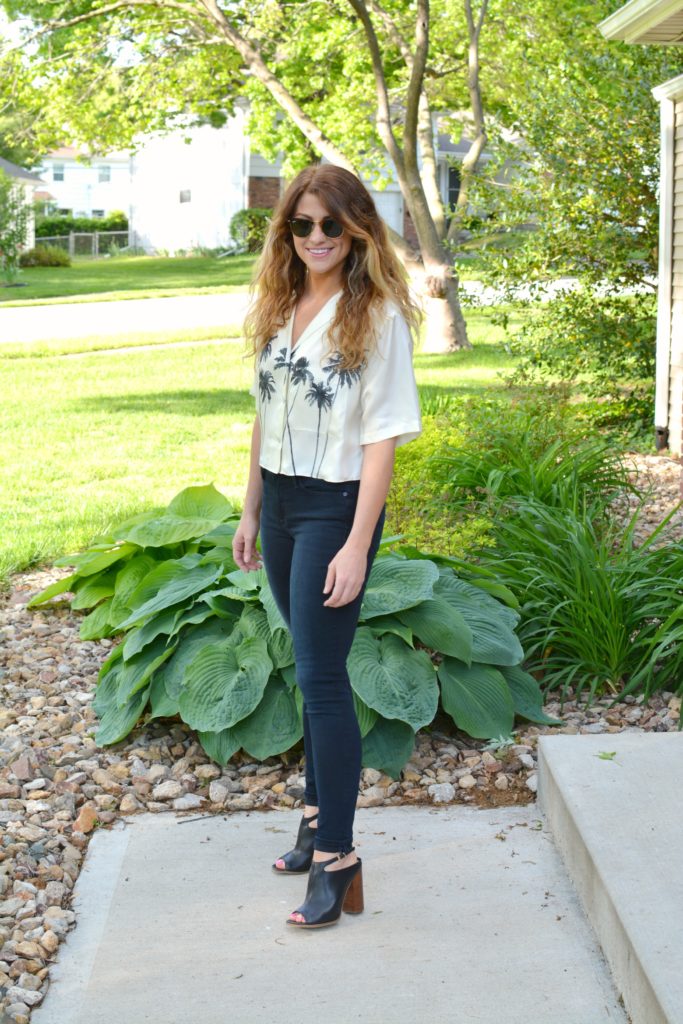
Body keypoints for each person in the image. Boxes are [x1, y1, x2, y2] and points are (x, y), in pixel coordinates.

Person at [232, 163, 422, 930]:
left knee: (322, 679)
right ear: (287, 232)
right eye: (301, 224)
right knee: (311, 673)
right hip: (278, 504)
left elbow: (382, 442)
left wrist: (354, 543)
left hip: (332, 511)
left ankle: (340, 861)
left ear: (356, 231)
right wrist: (247, 511)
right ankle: (315, 821)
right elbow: (262, 418)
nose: (315, 237)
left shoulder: (375, 317)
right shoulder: (281, 305)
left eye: (330, 225)